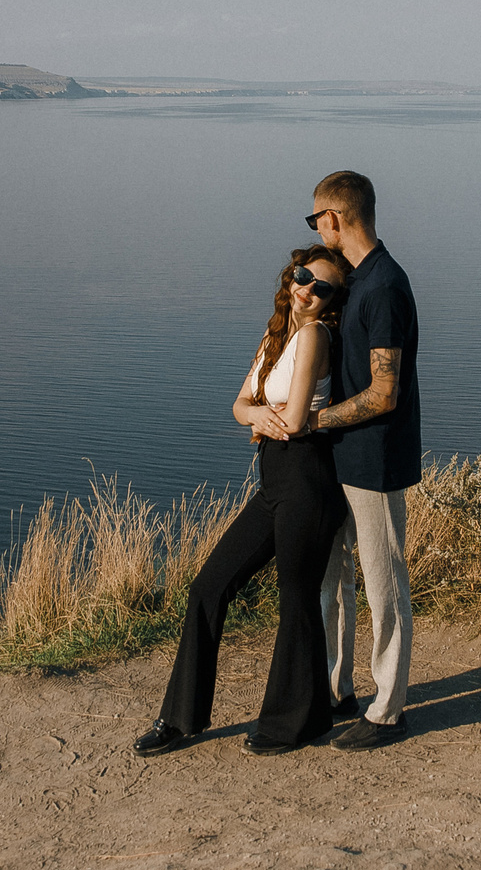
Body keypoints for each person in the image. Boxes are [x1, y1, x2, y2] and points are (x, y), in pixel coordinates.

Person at [134, 246, 354, 758]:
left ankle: (297, 721)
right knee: (209, 585)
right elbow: (239, 404)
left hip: (308, 480)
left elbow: (296, 420)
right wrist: (257, 416)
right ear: (291, 276)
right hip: (276, 483)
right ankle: (179, 718)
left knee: (296, 600)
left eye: (321, 286)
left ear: (332, 299)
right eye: (303, 276)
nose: (307, 288)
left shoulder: (317, 336)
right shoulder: (277, 334)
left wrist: (264, 415)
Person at [304, 170, 420, 750]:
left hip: (375, 460)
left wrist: (313, 421)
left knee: (384, 583)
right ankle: (337, 689)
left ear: (336, 218)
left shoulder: (383, 288)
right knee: (338, 579)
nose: (315, 226)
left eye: (315, 217)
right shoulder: (361, 280)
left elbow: (384, 392)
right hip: (345, 456)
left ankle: (389, 711)